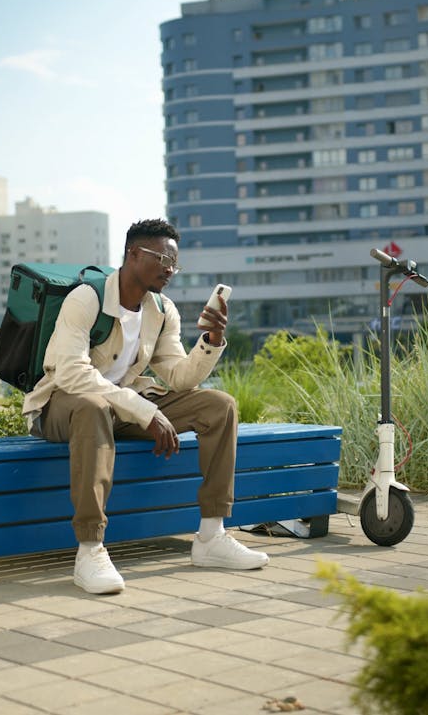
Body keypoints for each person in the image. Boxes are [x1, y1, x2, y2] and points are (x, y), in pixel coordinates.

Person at [23, 218, 269, 593]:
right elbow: (72, 374)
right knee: (93, 407)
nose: (170, 269)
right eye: (162, 259)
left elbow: (181, 377)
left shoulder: (162, 308)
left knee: (219, 405)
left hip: (122, 406)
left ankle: (211, 538)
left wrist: (212, 339)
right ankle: (90, 550)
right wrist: (144, 410)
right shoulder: (86, 298)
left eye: (175, 262)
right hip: (62, 406)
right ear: (133, 254)